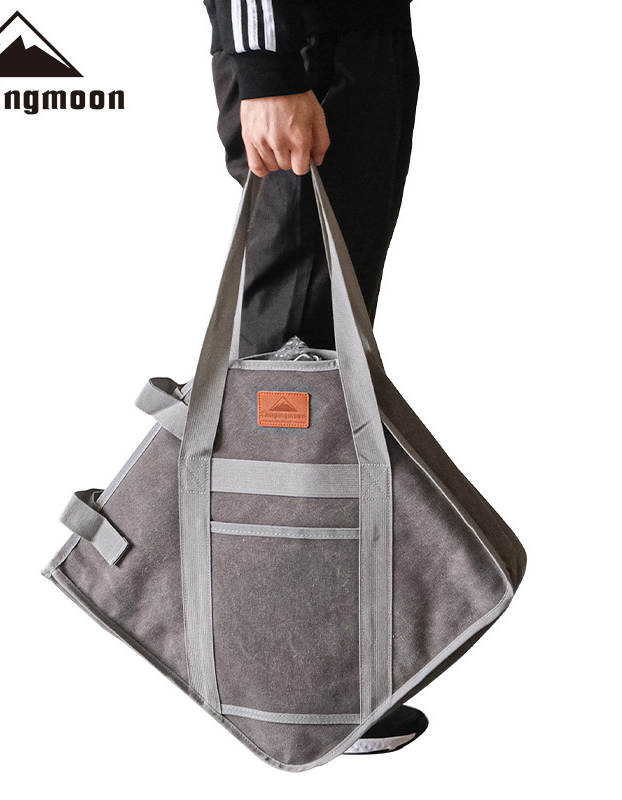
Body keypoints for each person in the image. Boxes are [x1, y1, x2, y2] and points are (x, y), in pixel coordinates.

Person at [203, 0, 427, 755]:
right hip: (303, 50)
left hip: (363, 36)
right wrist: (265, 66)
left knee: (324, 364)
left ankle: (305, 663)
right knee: (289, 371)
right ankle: (288, 689)